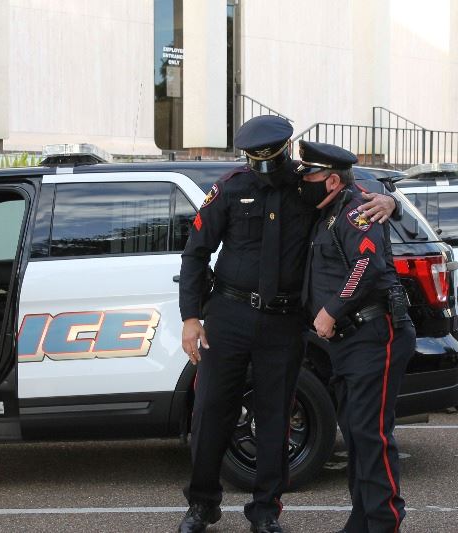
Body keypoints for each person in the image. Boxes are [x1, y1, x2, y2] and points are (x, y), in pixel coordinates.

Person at [177, 115, 398, 533]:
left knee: (275, 416)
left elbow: (356, 191)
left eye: (271, 158)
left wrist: (392, 201)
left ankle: (265, 512)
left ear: (284, 152)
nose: (262, 166)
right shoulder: (230, 188)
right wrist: (191, 317)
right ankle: (202, 505)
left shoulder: (307, 182)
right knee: (209, 412)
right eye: (254, 159)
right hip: (229, 315)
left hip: (282, 321)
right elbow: (195, 253)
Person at [299, 140, 416, 533]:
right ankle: (363, 518)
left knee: (370, 433)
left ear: (331, 179)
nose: (305, 181)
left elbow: (365, 267)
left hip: (373, 334)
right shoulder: (329, 209)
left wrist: (332, 309)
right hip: (349, 343)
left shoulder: (356, 211)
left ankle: (384, 522)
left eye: (310, 174)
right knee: (354, 431)